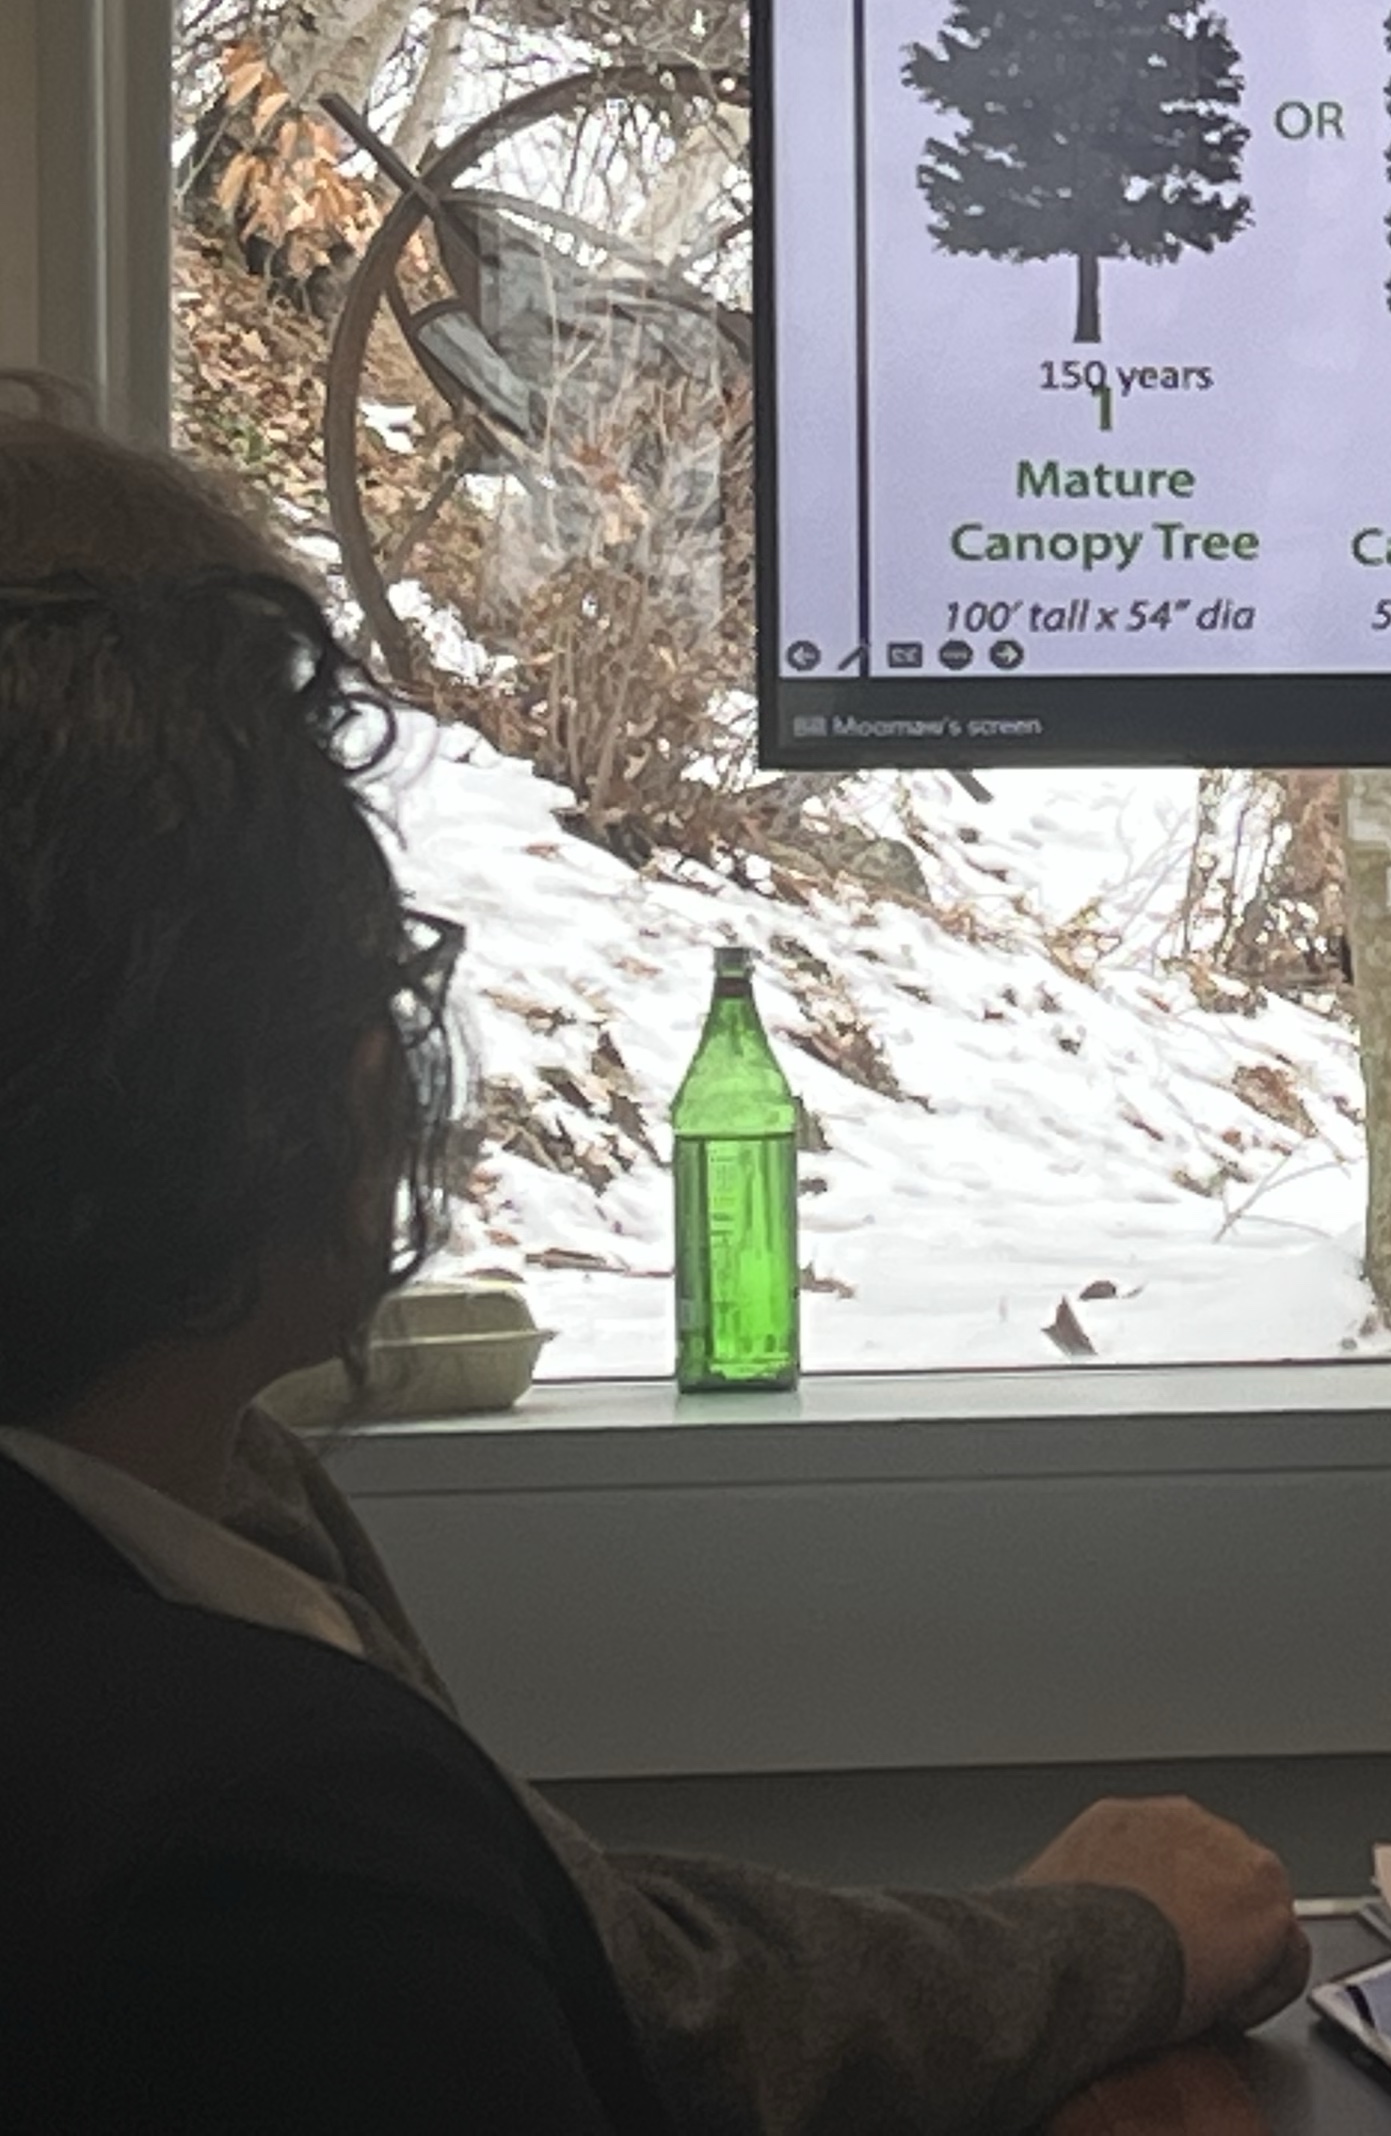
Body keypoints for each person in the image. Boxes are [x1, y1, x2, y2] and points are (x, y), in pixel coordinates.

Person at [0, 392, 1312, 2134]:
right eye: (324, 875)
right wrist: (1097, 1946)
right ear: (216, 1028)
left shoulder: (198, 1520)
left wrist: (1072, 1942)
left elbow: (612, 1960)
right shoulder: (255, 1845)